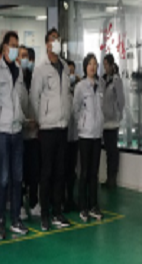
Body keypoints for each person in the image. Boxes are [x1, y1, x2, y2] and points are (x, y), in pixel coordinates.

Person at [0, 31, 29, 240]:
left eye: (17, 45)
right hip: (2, 131)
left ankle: (16, 219)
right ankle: (1, 220)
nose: (15, 48)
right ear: (4, 47)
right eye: (12, 45)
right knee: (3, 178)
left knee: (17, 177)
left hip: (17, 130)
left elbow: (22, 100)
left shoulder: (19, 71)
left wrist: (22, 118)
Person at [30, 29, 72, 231]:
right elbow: (34, 97)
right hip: (47, 128)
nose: (56, 42)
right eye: (53, 40)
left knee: (60, 172)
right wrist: (40, 120)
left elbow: (67, 95)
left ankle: (57, 212)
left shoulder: (64, 67)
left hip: (62, 126)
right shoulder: (41, 69)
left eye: (58, 39)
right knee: (46, 172)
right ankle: (44, 214)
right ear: (47, 44)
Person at [73, 55, 105, 223]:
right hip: (85, 134)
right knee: (84, 172)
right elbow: (76, 109)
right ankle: (83, 206)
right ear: (85, 67)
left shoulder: (100, 86)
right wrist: (82, 123)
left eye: (95, 64)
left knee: (94, 172)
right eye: (90, 64)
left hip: (97, 134)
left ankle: (93, 205)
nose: (93, 67)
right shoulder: (80, 87)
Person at [20, 47, 40, 219]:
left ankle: (33, 202)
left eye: (27, 57)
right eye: (23, 56)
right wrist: (25, 122)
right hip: (19, 133)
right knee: (19, 173)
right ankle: (19, 205)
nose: (26, 60)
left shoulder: (34, 77)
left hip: (33, 134)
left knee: (34, 171)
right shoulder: (14, 78)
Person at [101, 54, 125, 189]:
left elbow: (121, 100)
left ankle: (113, 178)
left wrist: (118, 114)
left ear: (111, 65)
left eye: (106, 65)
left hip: (113, 122)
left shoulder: (116, 81)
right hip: (104, 122)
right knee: (108, 152)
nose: (105, 67)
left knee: (113, 151)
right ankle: (108, 177)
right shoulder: (103, 80)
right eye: (104, 65)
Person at [65, 60, 79, 211]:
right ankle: (60, 199)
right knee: (62, 170)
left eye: (73, 72)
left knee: (72, 170)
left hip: (74, 137)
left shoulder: (77, 90)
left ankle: (70, 198)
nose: (71, 75)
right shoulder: (62, 92)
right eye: (69, 72)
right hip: (63, 136)